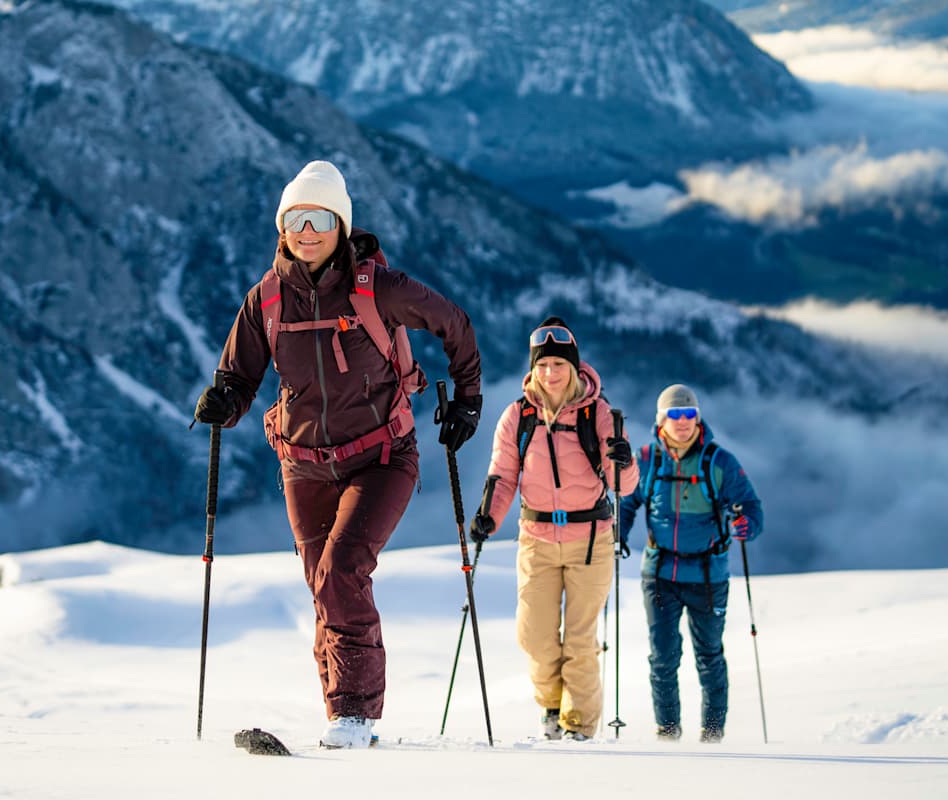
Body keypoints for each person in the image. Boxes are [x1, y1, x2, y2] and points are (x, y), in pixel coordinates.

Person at [193, 160, 483, 749]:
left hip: (382, 456)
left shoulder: (380, 288)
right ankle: (342, 716)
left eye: (321, 217)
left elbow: (454, 324)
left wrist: (468, 402)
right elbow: (240, 375)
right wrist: (225, 399)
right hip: (302, 463)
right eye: (296, 217)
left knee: (341, 571)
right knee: (322, 584)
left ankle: (354, 716)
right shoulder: (266, 300)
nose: (307, 229)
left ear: (341, 226)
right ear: (282, 226)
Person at [469, 316, 638, 741]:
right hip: (537, 540)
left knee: (580, 642)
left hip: (590, 540)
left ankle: (577, 726)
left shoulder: (598, 414)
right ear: (533, 368)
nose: (550, 373)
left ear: (574, 367)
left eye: (558, 365)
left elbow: (624, 487)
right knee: (534, 637)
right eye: (543, 365)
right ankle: (550, 705)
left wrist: (624, 459)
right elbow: (502, 476)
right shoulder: (517, 417)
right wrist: (489, 516)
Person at [618, 384, 763, 743]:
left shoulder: (720, 462)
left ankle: (712, 735)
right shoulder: (647, 459)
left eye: (689, 414)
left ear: (697, 418)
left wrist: (748, 523)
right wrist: (617, 533)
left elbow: (751, 505)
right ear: (661, 420)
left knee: (709, 656)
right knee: (663, 657)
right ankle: (668, 734)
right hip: (660, 573)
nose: (682, 422)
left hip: (708, 575)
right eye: (674, 415)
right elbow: (626, 501)